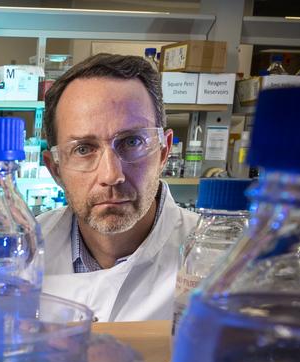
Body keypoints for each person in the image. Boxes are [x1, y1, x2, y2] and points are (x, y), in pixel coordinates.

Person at [39, 53, 199, 322]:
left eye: (132, 142)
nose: (112, 175)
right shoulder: (24, 254)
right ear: (55, 168)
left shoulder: (219, 260)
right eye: (83, 149)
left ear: (164, 151)